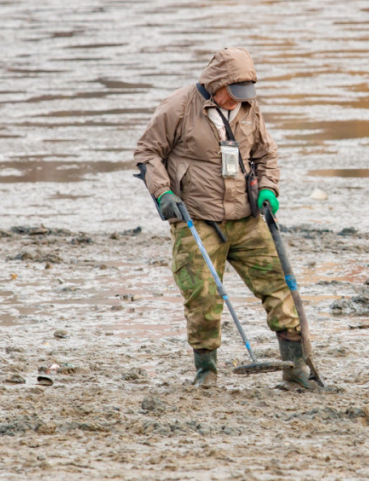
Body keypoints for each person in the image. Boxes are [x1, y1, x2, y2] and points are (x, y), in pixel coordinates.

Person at [134, 47, 315, 389]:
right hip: (197, 218)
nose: (238, 102)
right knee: (201, 296)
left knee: (281, 287)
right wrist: (163, 193)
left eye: (244, 95)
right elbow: (147, 152)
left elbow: (266, 153)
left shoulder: (249, 107)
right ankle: (206, 373)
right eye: (232, 95)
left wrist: (269, 190)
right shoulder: (178, 106)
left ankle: (295, 372)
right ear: (216, 84)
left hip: (246, 218)